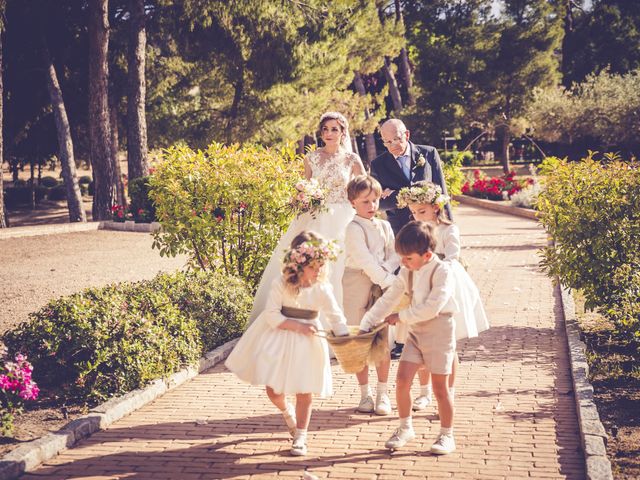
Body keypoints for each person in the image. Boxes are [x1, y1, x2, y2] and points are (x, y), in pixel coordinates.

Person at [225, 231, 350, 457]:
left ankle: (301, 435)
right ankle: (286, 412)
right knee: (274, 390)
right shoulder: (281, 284)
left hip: (308, 346)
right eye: (314, 265)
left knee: (305, 389)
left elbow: (335, 315)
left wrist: (344, 336)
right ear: (298, 263)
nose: (319, 270)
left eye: (322, 265)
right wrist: (298, 326)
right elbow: (272, 315)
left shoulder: (322, 287)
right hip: (280, 337)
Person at [249, 112, 366, 324]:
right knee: (310, 266)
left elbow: (363, 189)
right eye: (325, 129)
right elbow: (306, 185)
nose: (329, 134)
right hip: (316, 218)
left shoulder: (352, 159)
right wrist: (304, 196)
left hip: (342, 219)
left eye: (334, 129)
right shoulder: (311, 158)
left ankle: (337, 326)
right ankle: (306, 319)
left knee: (337, 270)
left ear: (343, 133)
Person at [359, 221, 457, 454]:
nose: (403, 262)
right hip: (415, 332)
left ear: (427, 254)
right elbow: (389, 298)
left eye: (408, 258)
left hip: (440, 331)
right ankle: (405, 428)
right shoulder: (407, 271)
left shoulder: (442, 271)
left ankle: (446, 435)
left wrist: (400, 316)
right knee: (402, 381)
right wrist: (367, 323)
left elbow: (433, 307)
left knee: (440, 389)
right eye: (401, 258)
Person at [396, 181, 489, 412]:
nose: (418, 216)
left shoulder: (448, 229)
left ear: (436, 207)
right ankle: (424, 392)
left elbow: (452, 256)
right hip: (418, 280)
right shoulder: (414, 231)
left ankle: (448, 393)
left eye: (422, 211)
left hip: (445, 282)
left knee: (447, 347)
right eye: (414, 212)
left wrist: (432, 270)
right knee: (419, 337)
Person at [371, 118, 452, 358]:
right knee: (407, 284)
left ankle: (433, 334)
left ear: (406, 134)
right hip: (403, 230)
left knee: (433, 280)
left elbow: (441, 190)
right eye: (386, 142)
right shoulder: (379, 164)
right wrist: (402, 197)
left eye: (396, 139)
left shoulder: (428, 153)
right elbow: (380, 202)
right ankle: (403, 341)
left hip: (431, 228)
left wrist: (447, 224)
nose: (392, 145)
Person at [342, 175, 400, 416]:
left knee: (382, 340)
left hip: (382, 282)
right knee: (359, 339)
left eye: (375, 200)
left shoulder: (385, 225)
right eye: (365, 201)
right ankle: (365, 394)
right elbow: (364, 260)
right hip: (357, 284)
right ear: (353, 202)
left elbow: (395, 253)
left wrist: (387, 275)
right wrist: (389, 281)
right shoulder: (352, 228)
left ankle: (382, 393)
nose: (371, 205)